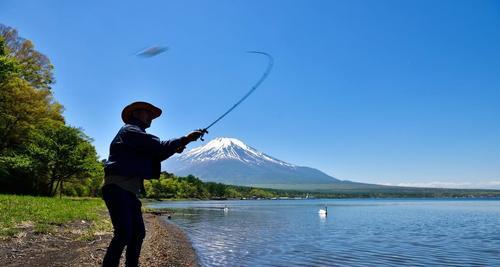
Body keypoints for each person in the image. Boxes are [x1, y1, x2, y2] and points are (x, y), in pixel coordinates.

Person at [101, 101, 204, 267]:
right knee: (124, 234)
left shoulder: (135, 136)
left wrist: (180, 143)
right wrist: (185, 139)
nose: (150, 117)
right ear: (135, 114)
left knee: (138, 234)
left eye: (151, 115)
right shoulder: (130, 130)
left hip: (128, 191)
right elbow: (158, 147)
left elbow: (156, 154)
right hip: (117, 188)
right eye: (147, 113)